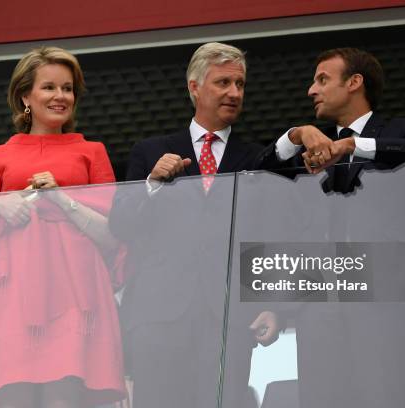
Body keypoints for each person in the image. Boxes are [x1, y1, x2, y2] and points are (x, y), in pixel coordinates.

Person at [109, 42, 279, 408]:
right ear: (195, 87)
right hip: (159, 317)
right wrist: (152, 185)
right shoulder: (149, 152)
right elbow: (119, 224)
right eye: (223, 83)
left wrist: (272, 304)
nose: (234, 93)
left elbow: (267, 239)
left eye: (240, 84)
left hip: (228, 320)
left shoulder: (257, 159)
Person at [0, 47, 125, 408]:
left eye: (68, 89)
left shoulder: (92, 151)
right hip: (12, 293)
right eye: (49, 87)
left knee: (65, 394)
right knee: (12, 395)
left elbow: (114, 229)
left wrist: (63, 200)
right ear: (25, 96)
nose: (60, 97)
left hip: (74, 290)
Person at [256, 47, 405, 193]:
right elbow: (257, 171)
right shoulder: (311, 144)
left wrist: (351, 145)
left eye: (322, 79)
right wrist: (297, 134)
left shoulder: (399, 130)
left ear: (354, 82)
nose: (311, 91)